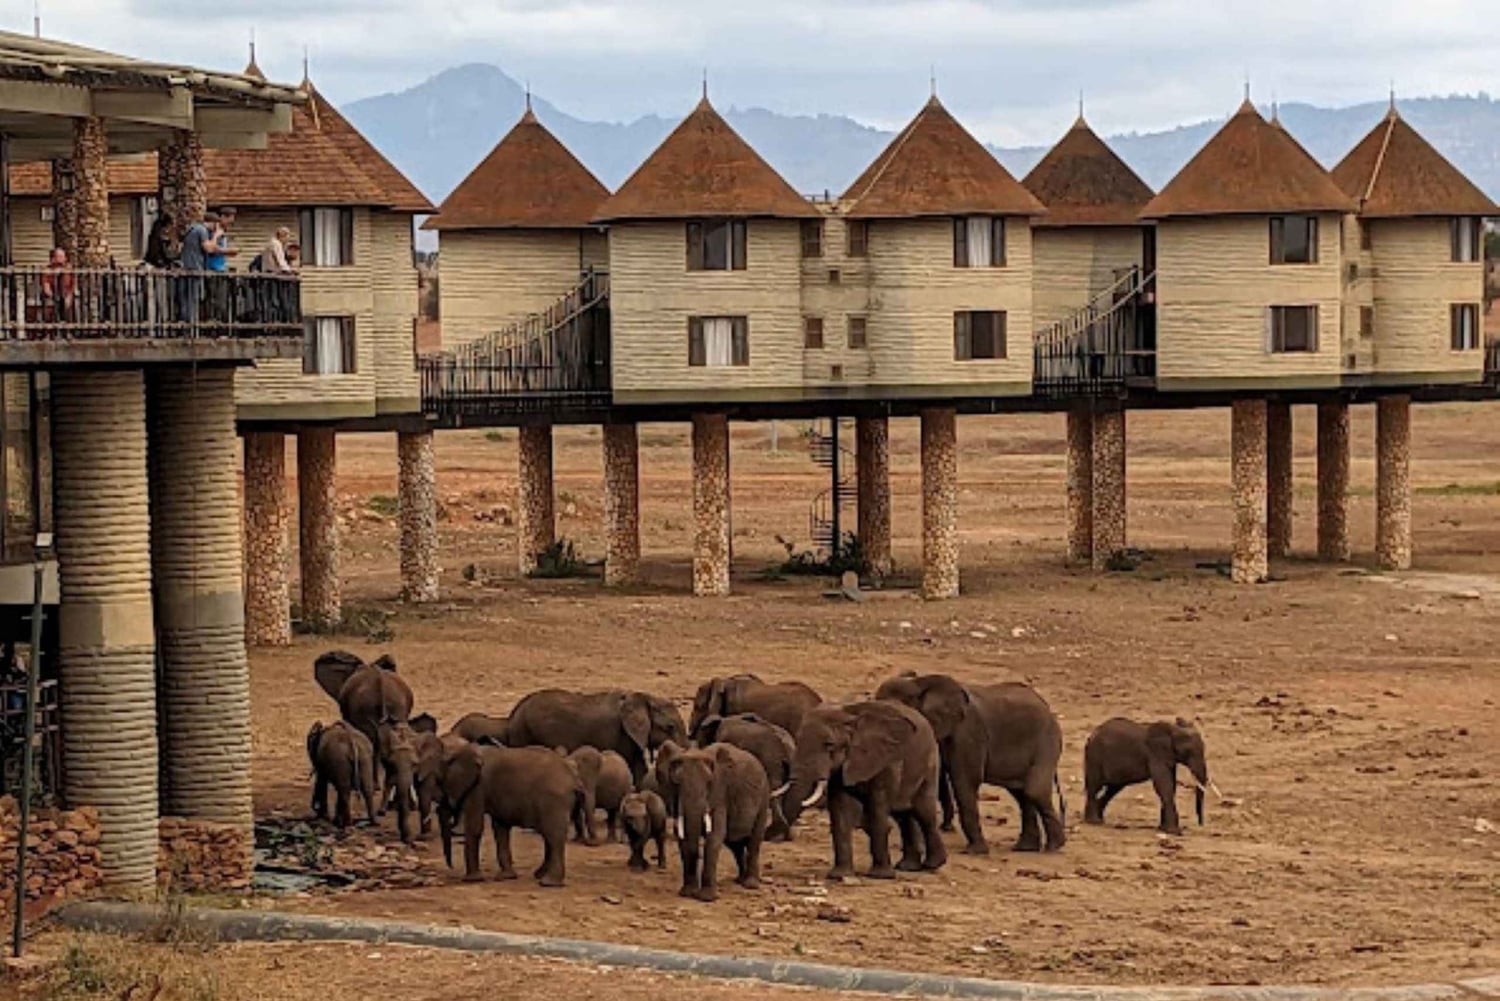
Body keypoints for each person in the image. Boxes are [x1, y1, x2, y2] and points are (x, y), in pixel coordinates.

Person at [177, 212, 216, 323]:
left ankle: (185, 320)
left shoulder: (191, 229)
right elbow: (209, 249)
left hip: (186, 266)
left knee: (185, 297)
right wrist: (216, 236)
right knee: (194, 297)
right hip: (195, 267)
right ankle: (192, 321)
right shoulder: (202, 230)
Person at [39, 247, 77, 323]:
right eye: (59, 256)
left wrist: (69, 296)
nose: (62, 259)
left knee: (70, 303)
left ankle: (69, 325)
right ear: (53, 258)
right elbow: (46, 286)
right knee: (51, 304)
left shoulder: (69, 269)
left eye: (63, 256)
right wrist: (52, 296)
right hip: (52, 295)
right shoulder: (47, 270)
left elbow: (73, 284)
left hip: (66, 294)